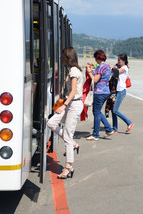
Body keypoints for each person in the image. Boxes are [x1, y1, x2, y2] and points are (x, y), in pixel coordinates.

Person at [47, 47, 83, 179]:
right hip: (70, 103)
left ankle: (68, 167)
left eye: (63, 56)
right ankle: (73, 143)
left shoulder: (74, 71)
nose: (61, 59)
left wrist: (64, 105)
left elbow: (73, 91)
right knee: (51, 123)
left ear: (68, 57)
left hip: (73, 104)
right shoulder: (73, 70)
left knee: (67, 135)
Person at [86, 50, 114, 141]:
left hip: (99, 92)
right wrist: (92, 70)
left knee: (96, 113)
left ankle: (95, 134)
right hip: (106, 91)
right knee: (97, 112)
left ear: (98, 58)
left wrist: (89, 72)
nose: (95, 60)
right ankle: (109, 129)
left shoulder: (101, 66)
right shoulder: (107, 66)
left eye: (95, 58)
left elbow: (95, 80)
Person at [112, 53, 134, 133]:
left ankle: (129, 122)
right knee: (113, 110)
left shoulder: (124, 68)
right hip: (117, 91)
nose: (118, 62)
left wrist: (113, 68)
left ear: (124, 61)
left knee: (115, 110)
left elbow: (116, 72)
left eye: (119, 60)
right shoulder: (119, 67)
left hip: (121, 91)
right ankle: (115, 128)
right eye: (117, 60)